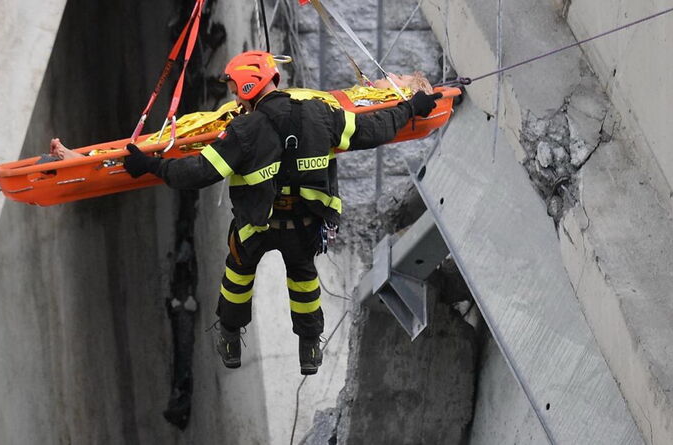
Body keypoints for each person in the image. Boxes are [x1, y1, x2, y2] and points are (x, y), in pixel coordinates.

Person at [122, 51, 442, 375]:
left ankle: (230, 336)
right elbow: (372, 129)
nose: (235, 99)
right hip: (305, 226)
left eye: (235, 90)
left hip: (256, 226)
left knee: (238, 274)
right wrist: (410, 109)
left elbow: (199, 172)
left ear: (248, 87)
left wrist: (150, 166)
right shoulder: (321, 115)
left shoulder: (243, 132)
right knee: (303, 280)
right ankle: (310, 348)